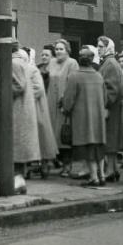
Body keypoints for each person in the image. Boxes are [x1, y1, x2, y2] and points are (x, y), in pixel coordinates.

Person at [61, 45, 106, 187]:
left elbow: (68, 100)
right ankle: (102, 175)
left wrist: (65, 109)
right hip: (98, 118)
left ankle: (94, 177)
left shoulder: (75, 77)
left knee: (87, 147)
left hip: (82, 119)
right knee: (98, 147)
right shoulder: (99, 76)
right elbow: (105, 98)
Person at [46, 38, 79, 177]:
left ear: (67, 51)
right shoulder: (52, 62)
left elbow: (73, 84)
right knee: (52, 134)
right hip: (50, 103)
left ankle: (67, 165)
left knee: (64, 135)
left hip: (63, 104)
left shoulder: (72, 63)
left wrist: (66, 102)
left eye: (61, 49)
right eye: (57, 49)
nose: (58, 52)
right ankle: (54, 162)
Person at [25, 46, 57, 179]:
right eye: (42, 55)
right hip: (30, 106)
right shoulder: (37, 68)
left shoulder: (35, 70)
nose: (43, 57)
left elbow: (38, 89)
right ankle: (27, 167)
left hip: (39, 106)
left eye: (46, 55)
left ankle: (44, 164)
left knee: (42, 135)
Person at [11, 49, 41, 194]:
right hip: (21, 110)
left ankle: (18, 180)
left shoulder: (14, 63)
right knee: (18, 147)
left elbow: (19, 86)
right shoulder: (19, 63)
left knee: (16, 146)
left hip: (17, 110)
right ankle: (18, 180)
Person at [96, 36, 123, 182]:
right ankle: (112, 169)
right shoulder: (109, 63)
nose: (98, 48)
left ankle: (110, 170)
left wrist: (106, 105)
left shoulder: (110, 64)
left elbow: (112, 88)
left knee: (110, 140)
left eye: (101, 46)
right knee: (110, 140)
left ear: (108, 48)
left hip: (111, 109)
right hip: (111, 108)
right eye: (98, 46)